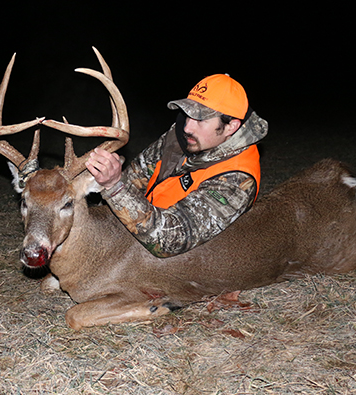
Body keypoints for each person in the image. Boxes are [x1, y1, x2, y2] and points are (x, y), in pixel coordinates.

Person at [86, 73, 269, 257]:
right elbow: (135, 177)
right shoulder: (181, 137)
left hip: (181, 263)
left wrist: (115, 187)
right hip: (138, 233)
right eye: (188, 114)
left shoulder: (237, 179)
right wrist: (107, 177)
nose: (188, 127)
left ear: (231, 127)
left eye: (200, 120)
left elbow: (169, 241)